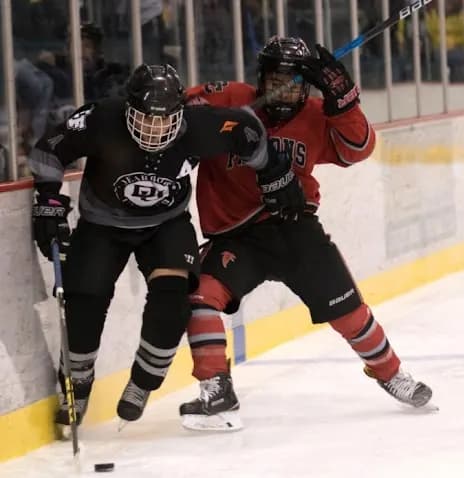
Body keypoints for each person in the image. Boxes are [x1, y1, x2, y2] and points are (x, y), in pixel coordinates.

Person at [28, 63, 302, 434]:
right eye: (146, 119)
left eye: (165, 120)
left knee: (174, 299)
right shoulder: (101, 117)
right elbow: (48, 150)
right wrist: (48, 201)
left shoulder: (200, 124)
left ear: (180, 112)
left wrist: (273, 173)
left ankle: (143, 381)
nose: (156, 128)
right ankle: (77, 383)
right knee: (84, 300)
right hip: (102, 225)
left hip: (166, 224)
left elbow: (248, 130)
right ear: (128, 109)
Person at [179, 36, 433, 431]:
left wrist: (343, 100)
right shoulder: (228, 96)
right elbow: (174, 113)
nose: (285, 89)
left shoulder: (317, 113)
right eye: (276, 79)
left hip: (296, 229)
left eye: (295, 82)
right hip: (236, 237)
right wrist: (215, 127)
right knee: (199, 296)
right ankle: (216, 390)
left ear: (309, 86)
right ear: (261, 79)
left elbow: (358, 149)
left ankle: (391, 373)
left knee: (349, 311)